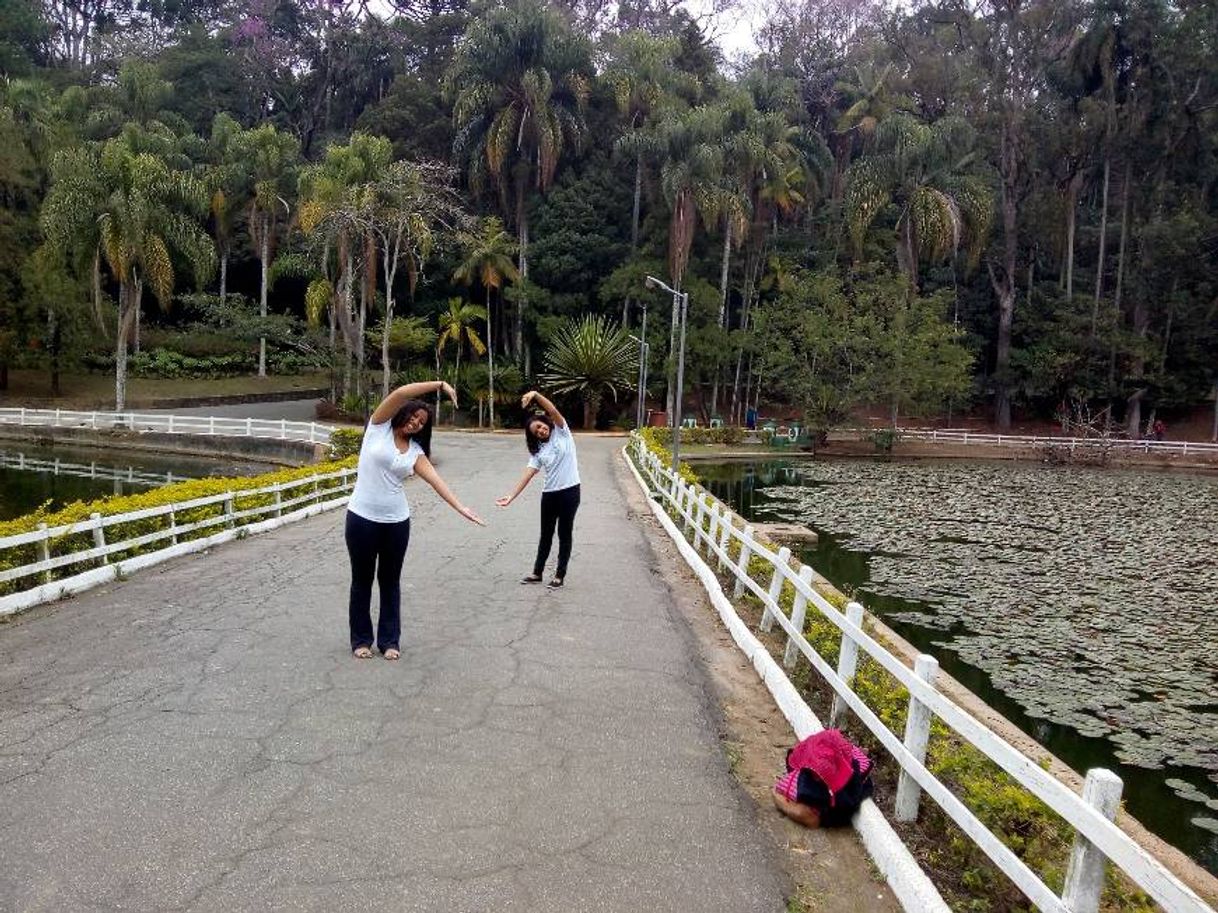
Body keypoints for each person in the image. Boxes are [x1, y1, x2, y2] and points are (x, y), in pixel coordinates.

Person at [345, 379, 484, 660]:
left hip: (396, 522)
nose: (415, 423)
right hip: (361, 518)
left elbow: (436, 481)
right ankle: (361, 640)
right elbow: (400, 393)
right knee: (362, 580)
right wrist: (441, 384)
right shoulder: (378, 428)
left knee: (390, 581)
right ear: (403, 413)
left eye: (421, 422)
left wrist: (461, 508)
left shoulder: (416, 452)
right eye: (413, 416)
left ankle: (389, 641)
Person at [495, 390, 580, 589]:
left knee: (564, 533)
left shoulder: (562, 432)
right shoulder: (539, 451)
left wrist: (535, 395)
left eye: (541, 427)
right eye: (536, 432)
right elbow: (528, 474)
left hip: (570, 492)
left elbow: (552, 409)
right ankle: (537, 572)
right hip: (549, 495)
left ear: (546, 423)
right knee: (546, 534)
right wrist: (511, 496)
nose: (540, 431)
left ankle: (559, 575)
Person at [772, 729, 873, 828]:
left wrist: (778, 797)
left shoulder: (814, 787)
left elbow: (808, 818)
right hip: (839, 768)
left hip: (833, 785)